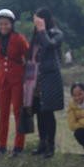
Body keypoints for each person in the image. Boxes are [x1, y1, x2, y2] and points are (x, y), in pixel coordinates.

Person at [26, 8, 64, 158]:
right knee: (39, 112)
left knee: (48, 111)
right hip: (35, 77)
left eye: (38, 20)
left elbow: (49, 45)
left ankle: (51, 144)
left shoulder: (56, 33)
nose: (36, 24)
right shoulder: (36, 36)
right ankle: (42, 142)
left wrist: (42, 30)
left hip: (50, 77)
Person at [0, 9, 28, 157]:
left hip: (17, 79)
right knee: (3, 113)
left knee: (18, 112)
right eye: (0, 24)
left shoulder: (19, 39)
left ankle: (18, 146)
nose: (3, 26)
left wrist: (27, 78)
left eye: (6, 23)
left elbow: (29, 57)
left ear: (11, 24)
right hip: (3, 80)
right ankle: (2, 145)